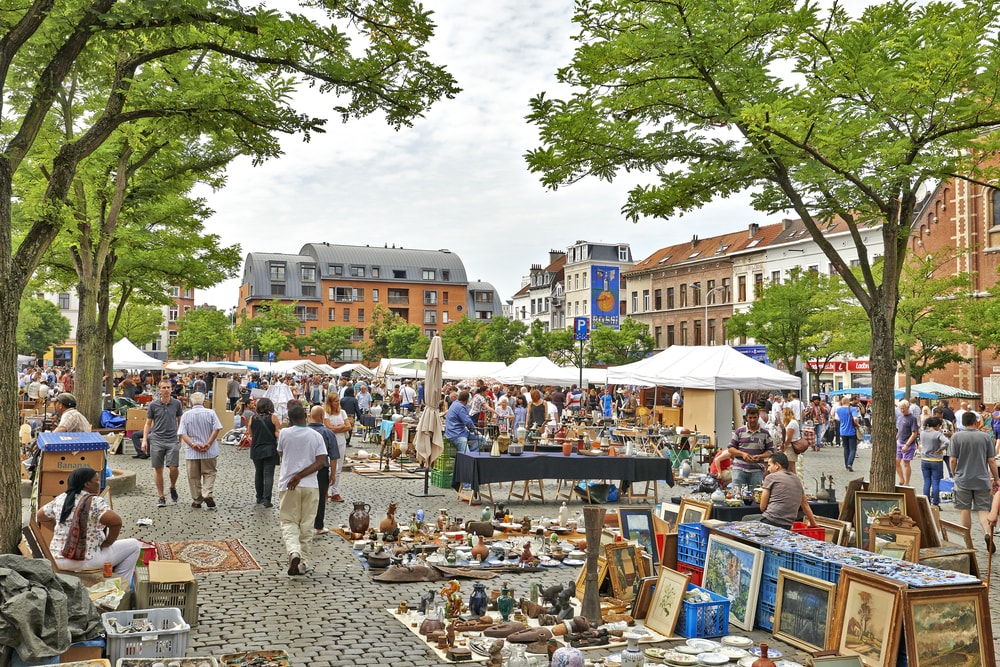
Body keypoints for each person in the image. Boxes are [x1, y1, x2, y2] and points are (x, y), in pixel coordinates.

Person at [36, 467, 141, 584]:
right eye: (96, 480)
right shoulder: (94, 501)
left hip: (57, 560)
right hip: (85, 560)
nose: (99, 484)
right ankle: (120, 583)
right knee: (134, 546)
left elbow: (41, 516)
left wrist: (60, 530)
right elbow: (116, 522)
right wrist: (109, 542)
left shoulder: (60, 498)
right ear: (87, 484)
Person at [276, 402, 327, 575]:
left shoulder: (284, 433)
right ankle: (303, 561)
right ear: (306, 416)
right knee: (307, 524)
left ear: (289, 420)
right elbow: (321, 462)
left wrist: (296, 475)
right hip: (311, 485)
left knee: (289, 521)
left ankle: (293, 551)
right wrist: (302, 475)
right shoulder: (316, 436)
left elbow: (281, 453)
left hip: (288, 484)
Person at [950, 410, 1000, 552]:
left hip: (963, 479)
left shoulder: (956, 437)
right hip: (982, 479)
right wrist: (996, 479)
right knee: (983, 509)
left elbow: (953, 459)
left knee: (965, 508)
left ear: (963, 422)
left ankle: (968, 540)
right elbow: (991, 460)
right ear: (976, 422)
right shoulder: (985, 437)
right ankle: (987, 533)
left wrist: (954, 474)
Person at [141, 380, 184, 508]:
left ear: (172, 389)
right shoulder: (154, 405)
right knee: (158, 468)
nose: (166, 390)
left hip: (172, 439)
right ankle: (161, 496)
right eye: (163, 387)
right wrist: (144, 440)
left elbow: (180, 421)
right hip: (157, 439)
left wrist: (180, 438)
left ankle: (172, 486)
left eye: (168, 387)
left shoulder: (177, 404)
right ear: (159, 390)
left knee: (173, 467)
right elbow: (148, 423)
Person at [177, 392, 223, 509]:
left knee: (193, 476)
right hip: (209, 451)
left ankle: (197, 500)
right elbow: (217, 428)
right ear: (203, 401)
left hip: (192, 453)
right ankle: (207, 493)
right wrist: (208, 443)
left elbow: (182, 433)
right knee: (209, 473)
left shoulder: (186, 415)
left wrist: (193, 445)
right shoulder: (211, 413)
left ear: (191, 402)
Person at [758, 452, 819, 530]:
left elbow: (762, 507)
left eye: (769, 465)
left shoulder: (770, 477)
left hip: (770, 520)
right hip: (787, 524)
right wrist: (813, 524)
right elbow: (805, 505)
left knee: (746, 518)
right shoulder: (796, 479)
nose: (768, 469)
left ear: (777, 466)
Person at [307, 405, 339, 535]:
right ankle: (318, 526)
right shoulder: (328, 433)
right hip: (322, 469)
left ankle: (304, 524)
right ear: (322, 417)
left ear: (310, 416)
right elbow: (334, 456)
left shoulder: (303, 431)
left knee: (306, 496)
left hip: (305, 469)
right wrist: (333, 474)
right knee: (320, 498)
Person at [727, 405, 774, 488]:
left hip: (756, 469)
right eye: (750, 417)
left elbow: (770, 451)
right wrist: (742, 454)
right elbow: (730, 448)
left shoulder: (765, 433)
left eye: (755, 417)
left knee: (754, 496)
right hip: (739, 468)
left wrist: (760, 456)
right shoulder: (739, 431)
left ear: (758, 417)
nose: (752, 420)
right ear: (746, 418)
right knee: (737, 494)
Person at [250, 397, 282, 507]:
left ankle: (259, 497)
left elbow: (250, 433)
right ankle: (267, 499)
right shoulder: (273, 418)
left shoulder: (253, 418)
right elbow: (277, 433)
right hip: (270, 449)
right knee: (268, 475)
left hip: (256, 449)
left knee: (258, 473)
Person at [323, 393, 351, 502]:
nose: (338, 403)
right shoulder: (326, 414)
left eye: (338, 401)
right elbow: (329, 428)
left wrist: (336, 428)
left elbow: (348, 426)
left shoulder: (342, 412)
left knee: (338, 468)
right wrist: (341, 427)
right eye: (335, 401)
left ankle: (334, 491)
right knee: (328, 467)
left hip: (341, 442)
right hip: (329, 443)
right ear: (330, 402)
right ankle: (325, 489)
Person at [919, 416, 949, 506]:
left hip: (924, 460)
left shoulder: (922, 433)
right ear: (936, 425)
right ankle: (935, 503)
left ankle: (926, 502)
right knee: (936, 482)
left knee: (926, 482)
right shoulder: (937, 434)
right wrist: (940, 449)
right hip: (936, 460)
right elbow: (947, 442)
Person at [895, 399, 919, 486]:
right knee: (896, 462)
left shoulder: (912, 418)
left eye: (903, 409)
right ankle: (902, 479)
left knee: (906, 462)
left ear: (908, 407)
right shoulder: (901, 417)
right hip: (899, 442)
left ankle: (907, 482)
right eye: (901, 409)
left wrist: (907, 444)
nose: (902, 410)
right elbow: (899, 431)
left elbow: (914, 433)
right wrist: (896, 439)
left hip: (908, 444)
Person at [835, 397, 860, 472]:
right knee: (853, 449)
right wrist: (857, 424)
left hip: (842, 431)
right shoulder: (852, 409)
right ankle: (850, 464)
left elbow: (837, 418)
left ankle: (846, 465)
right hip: (851, 431)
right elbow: (855, 418)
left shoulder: (838, 409)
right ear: (849, 402)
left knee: (846, 448)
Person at [781, 406, 801, 474]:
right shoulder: (792, 422)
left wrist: (785, 446)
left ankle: (794, 481)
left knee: (791, 467)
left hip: (790, 447)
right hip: (790, 446)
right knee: (790, 467)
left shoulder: (792, 423)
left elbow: (789, 438)